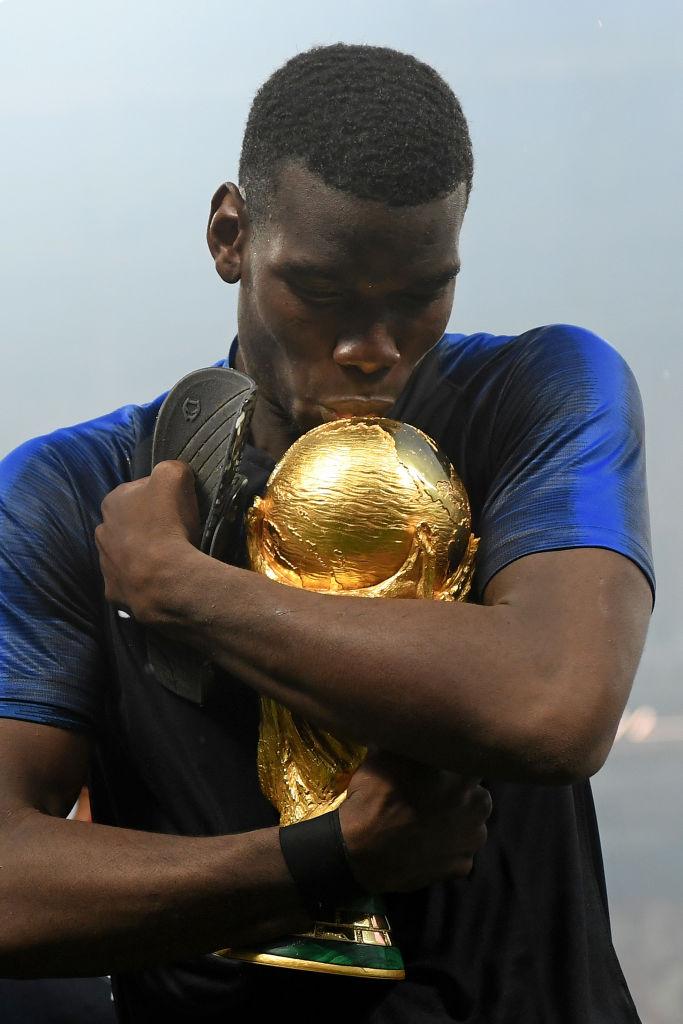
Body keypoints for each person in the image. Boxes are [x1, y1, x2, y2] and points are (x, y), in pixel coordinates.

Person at [0, 43, 653, 1024]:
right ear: (230, 235)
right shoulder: (69, 492)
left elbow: (551, 707)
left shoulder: (537, 394)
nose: (371, 350)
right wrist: (322, 860)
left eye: (419, 297)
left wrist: (185, 591)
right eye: (321, 293)